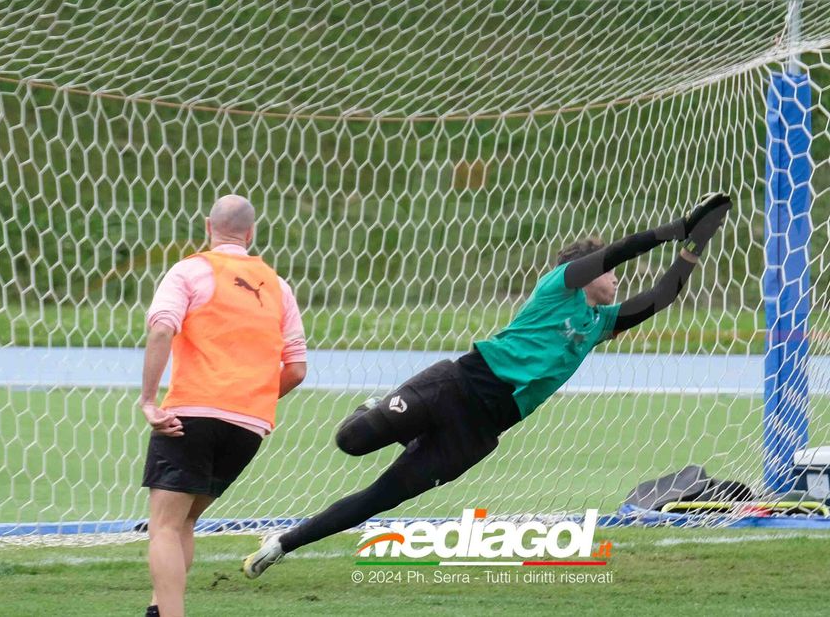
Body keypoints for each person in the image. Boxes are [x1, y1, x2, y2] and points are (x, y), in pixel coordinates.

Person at [242, 193, 732, 578]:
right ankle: (376, 406)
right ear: (593, 273)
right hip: (453, 385)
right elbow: (620, 250)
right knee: (352, 441)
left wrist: (693, 245)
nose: (619, 281)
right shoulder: (558, 287)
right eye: (612, 275)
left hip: (477, 434)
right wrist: (673, 229)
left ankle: (282, 544)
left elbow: (663, 295)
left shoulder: (599, 324)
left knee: (381, 497)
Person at [139, 194, 307, 617]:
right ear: (250, 234)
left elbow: (161, 330)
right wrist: (253, 399)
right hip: (249, 426)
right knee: (185, 522)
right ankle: (159, 608)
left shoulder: (191, 270)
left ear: (208, 226)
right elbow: (297, 368)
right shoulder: (278, 286)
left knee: (164, 526)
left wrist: (147, 400)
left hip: (191, 415)